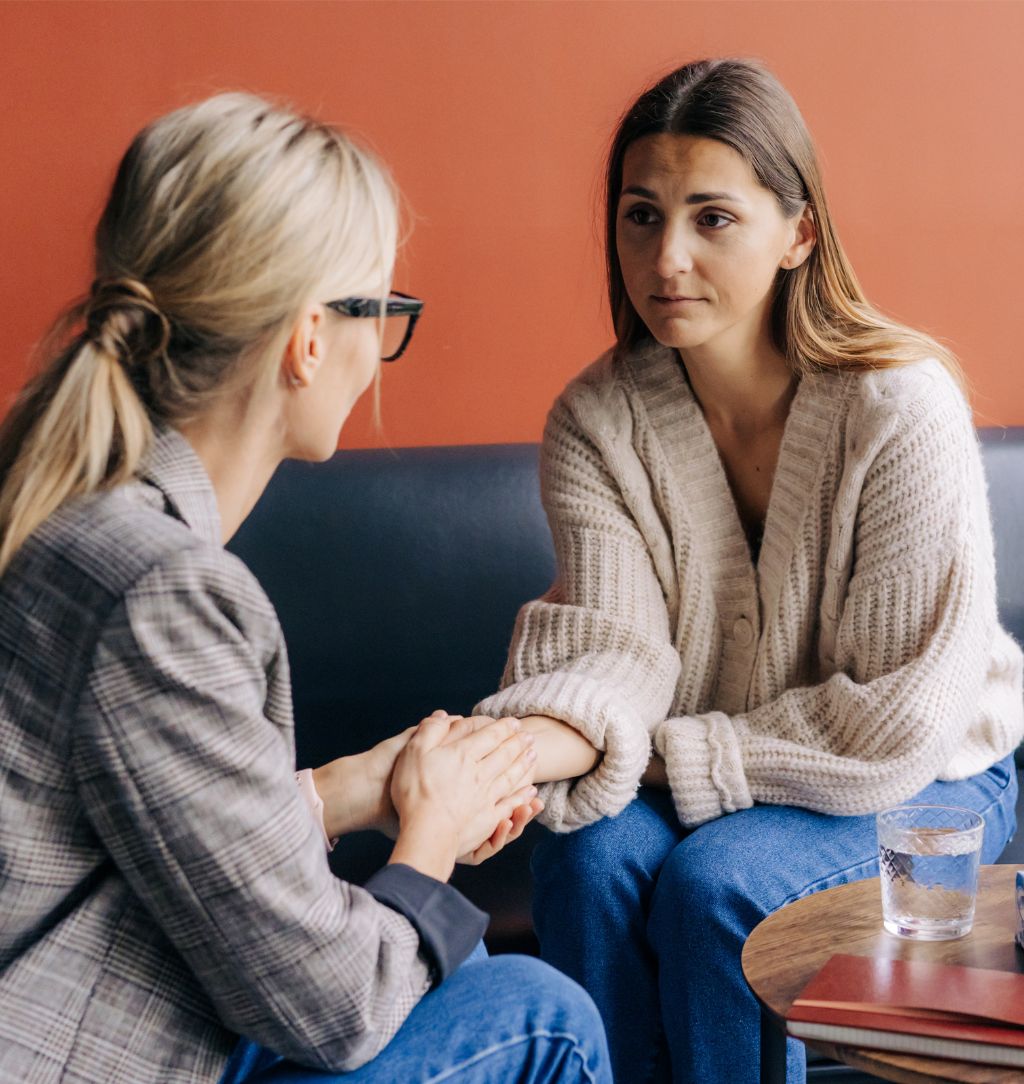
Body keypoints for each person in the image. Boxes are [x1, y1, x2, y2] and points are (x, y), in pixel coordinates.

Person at [0, 93, 611, 1084]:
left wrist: (338, 792)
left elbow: (126, 837)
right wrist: (434, 832)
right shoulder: (166, 592)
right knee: (539, 1013)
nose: (382, 351)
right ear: (310, 338)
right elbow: (334, 1003)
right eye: (382, 311)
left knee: (475, 970)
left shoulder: (57, 511)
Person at [474, 58, 1024, 1084]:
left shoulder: (899, 406)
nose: (665, 256)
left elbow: (894, 724)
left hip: (925, 781)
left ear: (798, 232)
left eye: (711, 218)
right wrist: (521, 751)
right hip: (715, 766)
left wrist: (645, 755)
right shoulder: (596, 420)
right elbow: (612, 652)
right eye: (640, 216)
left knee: (716, 884)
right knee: (586, 858)